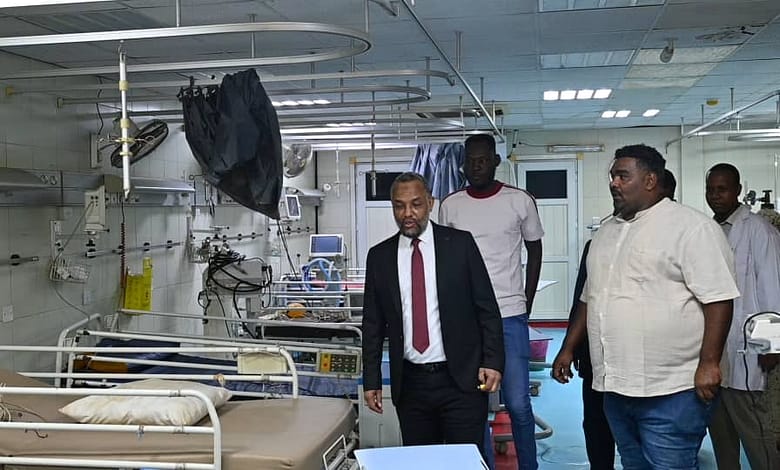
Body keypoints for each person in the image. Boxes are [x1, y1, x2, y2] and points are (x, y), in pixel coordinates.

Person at [552, 144, 740, 469]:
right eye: (613, 176)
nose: (614, 183)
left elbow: (719, 299)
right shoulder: (606, 233)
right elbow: (588, 298)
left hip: (672, 389)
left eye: (623, 176)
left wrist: (709, 363)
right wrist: (568, 349)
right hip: (615, 387)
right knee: (633, 463)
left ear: (651, 180)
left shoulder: (691, 228)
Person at [361, 172, 505, 460]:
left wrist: (492, 361)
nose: (407, 213)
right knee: (421, 462)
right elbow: (373, 325)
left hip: (461, 380)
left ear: (430, 203)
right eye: (399, 206)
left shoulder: (460, 245)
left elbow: (487, 309)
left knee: (464, 462)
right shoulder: (379, 257)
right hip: (411, 385)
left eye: (415, 204)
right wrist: (372, 379)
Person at [439, 133, 543, 470]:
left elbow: (535, 249)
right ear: (463, 164)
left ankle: (529, 466)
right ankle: (482, 465)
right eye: (470, 161)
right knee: (474, 407)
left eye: (483, 160)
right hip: (467, 320)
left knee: (518, 404)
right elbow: (443, 259)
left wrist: (526, 298)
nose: (476, 167)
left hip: (509, 315)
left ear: (496, 161)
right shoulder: (451, 205)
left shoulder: (519, 201)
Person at [704, 163, 780, 469]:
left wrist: (771, 345)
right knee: (722, 438)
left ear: (737, 190)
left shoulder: (759, 231)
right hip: (714, 353)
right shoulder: (708, 230)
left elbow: (772, 288)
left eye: (722, 189)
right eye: (710, 190)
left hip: (747, 351)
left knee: (756, 436)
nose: (715, 196)